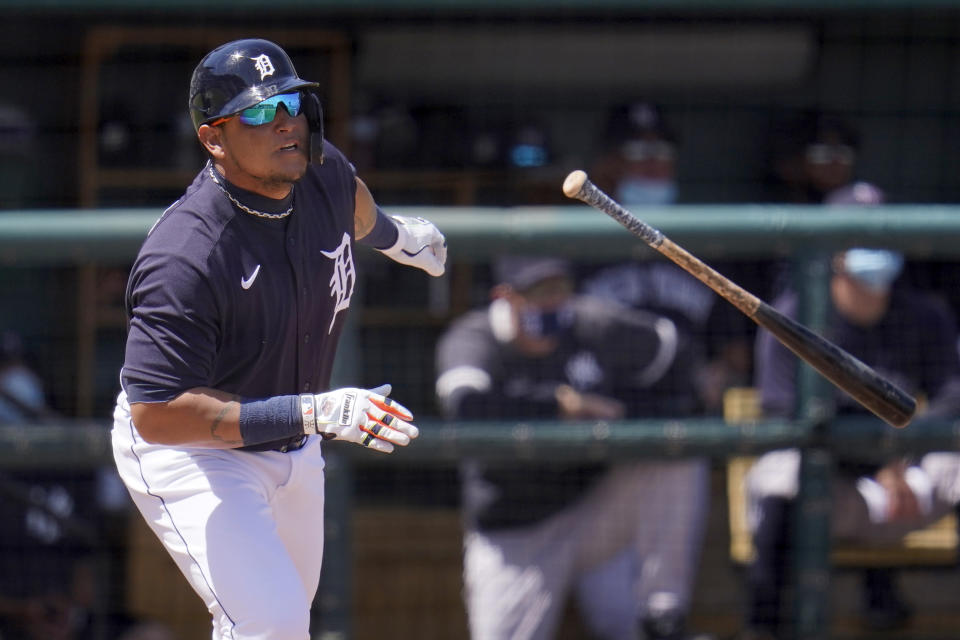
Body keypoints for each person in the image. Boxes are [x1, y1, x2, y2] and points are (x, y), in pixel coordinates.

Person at [109, 39, 446, 639]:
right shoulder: (186, 254)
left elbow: (352, 198)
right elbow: (156, 414)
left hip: (296, 434)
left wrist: (398, 238)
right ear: (214, 138)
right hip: (192, 449)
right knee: (271, 620)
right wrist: (313, 410)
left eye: (290, 102)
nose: (286, 121)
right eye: (260, 113)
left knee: (280, 620)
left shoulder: (316, 168)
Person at [435, 256, 712, 640]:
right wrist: (560, 405)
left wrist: (620, 411)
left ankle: (662, 609)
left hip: (594, 511)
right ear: (506, 297)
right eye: (539, 293)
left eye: (560, 290)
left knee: (676, 454)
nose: (553, 303)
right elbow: (466, 408)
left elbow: (678, 357)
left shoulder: (591, 322)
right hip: (517, 534)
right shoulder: (475, 338)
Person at [740, 237, 960, 639]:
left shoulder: (923, 314)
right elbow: (789, 416)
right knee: (781, 474)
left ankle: (883, 592)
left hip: (908, 483)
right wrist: (877, 462)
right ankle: (764, 626)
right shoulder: (795, 313)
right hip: (831, 488)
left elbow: (953, 392)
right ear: (836, 257)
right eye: (863, 242)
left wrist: (903, 458)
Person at [585, 102, 756, 414]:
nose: (653, 164)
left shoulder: (703, 244)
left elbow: (736, 350)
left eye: (663, 152)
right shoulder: (580, 243)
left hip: (684, 418)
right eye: (637, 152)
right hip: (600, 419)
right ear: (607, 164)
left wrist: (720, 375)